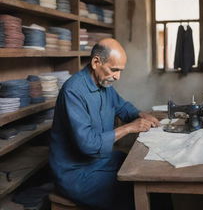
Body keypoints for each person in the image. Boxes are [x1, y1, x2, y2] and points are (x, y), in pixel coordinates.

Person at [49, 38, 159, 210]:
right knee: (133, 192)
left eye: (120, 71)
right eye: (114, 70)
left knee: (147, 174)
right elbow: (88, 145)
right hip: (76, 174)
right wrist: (130, 127)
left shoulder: (104, 83)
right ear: (95, 62)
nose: (118, 76)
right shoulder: (73, 92)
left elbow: (122, 106)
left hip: (99, 161)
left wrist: (142, 115)